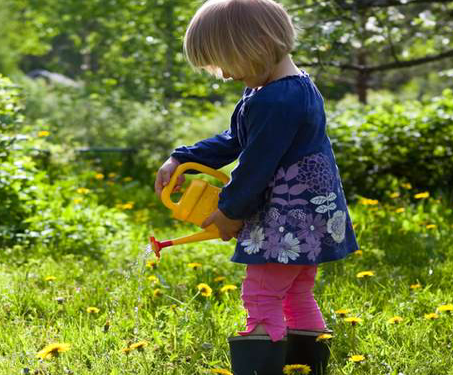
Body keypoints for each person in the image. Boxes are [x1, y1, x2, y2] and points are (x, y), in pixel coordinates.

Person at [153, 0, 360, 374]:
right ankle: (306, 366)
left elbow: (255, 166)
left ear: (256, 46)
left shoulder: (277, 100)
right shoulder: (284, 90)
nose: (226, 76)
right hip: (309, 219)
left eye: (225, 63)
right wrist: (181, 158)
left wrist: (230, 212)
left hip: (288, 220)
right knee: (296, 292)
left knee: (262, 293)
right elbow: (237, 139)